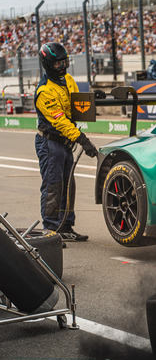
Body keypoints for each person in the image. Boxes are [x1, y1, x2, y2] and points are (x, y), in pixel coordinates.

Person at [34, 42, 98, 241]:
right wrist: (83, 140)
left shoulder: (68, 80)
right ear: (47, 64)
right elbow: (60, 121)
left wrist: (94, 99)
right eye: (58, 64)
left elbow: (76, 105)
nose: (62, 67)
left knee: (69, 186)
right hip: (50, 143)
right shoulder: (44, 91)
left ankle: (65, 227)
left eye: (65, 62)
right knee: (53, 187)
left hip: (65, 143)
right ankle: (50, 231)